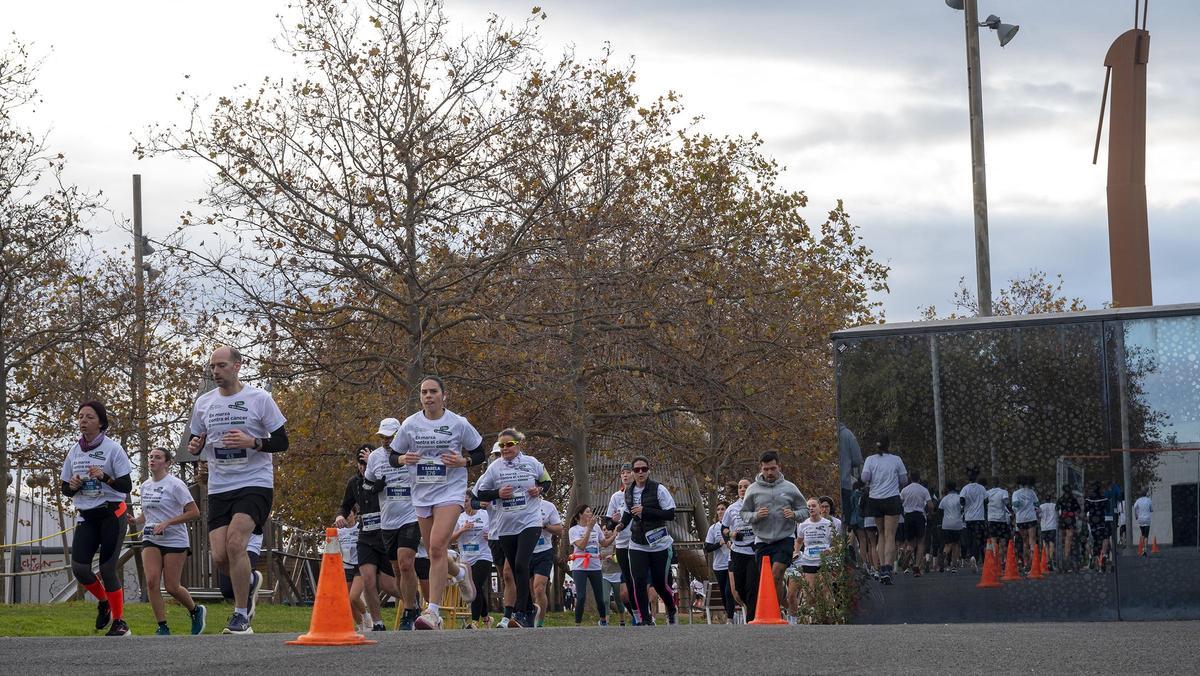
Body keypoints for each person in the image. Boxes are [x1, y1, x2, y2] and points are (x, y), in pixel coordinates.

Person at [187, 346, 289, 634]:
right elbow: (197, 439)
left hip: (254, 483)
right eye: (212, 367)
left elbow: (282, 442)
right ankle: (250, 582)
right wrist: (195, 447)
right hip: (220, 487)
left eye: (221, 365)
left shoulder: (259, 399)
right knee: (220, 557)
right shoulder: (204, 403)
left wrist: (252, 442)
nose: (215, 371)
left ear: (237, 366)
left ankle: (241, 616)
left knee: (235, 543)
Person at [387, 376, 486, 630]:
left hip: (450, 491)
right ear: (420, 397)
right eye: (424, 392)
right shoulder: (410, 424)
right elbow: (393, 456)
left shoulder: (458, 423)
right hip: (422, 493)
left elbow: (480, 452)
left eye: (433, 391)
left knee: (436, 546)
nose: (428, 396)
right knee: (435, 551)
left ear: (444, 395)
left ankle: (433, 612)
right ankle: (461, 573)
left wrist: (463, 462)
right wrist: (402, 460)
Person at [60, 401, 134, 636]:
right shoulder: (74, 451)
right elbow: (65, 488)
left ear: (101, 422)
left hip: (112, 513)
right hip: (88, 516)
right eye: (80, 416)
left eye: (89, 417)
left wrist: (105, 477)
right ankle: (104, 603)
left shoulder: (113, 449)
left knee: (107, 567)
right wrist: (71, 486)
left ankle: (120, 622)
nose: (83, 420)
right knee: (80, 568)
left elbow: (126, 485)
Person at [472, 428, 550, 629]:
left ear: (518, 444)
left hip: (530, 522)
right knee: (515, 570)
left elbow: (546, 480)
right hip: (505, 527)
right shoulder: (495, 467)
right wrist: (497, 493)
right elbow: (479, 494)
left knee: (521, 564)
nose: (505, 448)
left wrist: (539, 489)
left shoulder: (532, 463)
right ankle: (529, 609)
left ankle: (521, 612)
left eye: (509, 445)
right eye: (502, 445)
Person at [136, 446, 206, 635]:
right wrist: (135, 520)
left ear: (167, 463)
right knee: (151, 582)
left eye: (157, 457)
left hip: (175, 539)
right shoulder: (144, 486)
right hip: (151, 537)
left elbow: (194, 512)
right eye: (150, 456)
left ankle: (195, 610)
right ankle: (162, 626)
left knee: (172, 586)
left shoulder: (175, 484)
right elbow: (147, 514)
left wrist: (168, 523)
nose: (152, 460)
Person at [365, 418, 422, 629]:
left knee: (406, 562)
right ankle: (411, 603)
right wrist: (374, 487)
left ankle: (409, 613)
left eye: (390, 436)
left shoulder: (413, 453)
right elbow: (367, 483)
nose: (386, 441)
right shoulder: (375, 458)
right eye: (383, 437)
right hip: (388, 520)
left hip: (411, 516)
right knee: (398, 570)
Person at [337, 441, 397, 631]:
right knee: (368, 579)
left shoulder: (384, 478)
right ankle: (377, 623)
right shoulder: (354, 483)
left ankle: (413, 604)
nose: (364, 468)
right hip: (365, 538)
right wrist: (340, 515)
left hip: (385, 536)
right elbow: (345, 505)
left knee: (388, 585)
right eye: (361, 464)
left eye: (368, 463)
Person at [741, 451, 808, 612]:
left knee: (776, 574)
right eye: (766, 469)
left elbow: (804, 510)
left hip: (784, 538)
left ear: (779, 466)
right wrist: (756, 515)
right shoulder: (753, 489)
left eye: (772, 468)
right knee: (769, 581)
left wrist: (794, 515)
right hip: (762, 541)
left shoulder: (790, 488)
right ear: (760, 468)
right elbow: (744, 514)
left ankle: (775, 612)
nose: (769, 473)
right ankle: (781, 598)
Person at [621, 455, 679, 626]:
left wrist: (645, 510)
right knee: (638, 581)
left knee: (660, 584)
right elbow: (627, 512)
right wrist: (620, 525)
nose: (640, 472)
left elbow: (670, 514)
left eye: (644, 469)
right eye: (637, 470)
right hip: (637, 543)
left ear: (648, 471)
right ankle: (646, 620)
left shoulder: (659, 489)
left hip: (658, 543)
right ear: (632, 473)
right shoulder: (629, 491)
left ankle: (671, 609)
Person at [860, 435, 907, 584]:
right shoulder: (896, 460)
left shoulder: (870, 460)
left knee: (880, 533)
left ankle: (880, 568)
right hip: (892, 498)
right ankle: (887, 567)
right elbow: (904, 480)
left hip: (875, 499)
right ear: (889, 445)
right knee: (890, 534)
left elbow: (864, 477)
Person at [568, 504, 615, 626]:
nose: (591, 514)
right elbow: (582, 545)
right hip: (580, 567)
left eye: (591, 512)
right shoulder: (574, 530)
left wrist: (615, 534)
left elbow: (604, 543)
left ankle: (603, 621)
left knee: (600, 597)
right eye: (588, 512)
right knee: (581, 596)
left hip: (595, 566)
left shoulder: (597, 528)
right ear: (580, 514)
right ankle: (577, 623)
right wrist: (588, 528)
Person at [606, 463, 641, 624]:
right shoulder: (616, 497)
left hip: (638, 542)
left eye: (628, 472)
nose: (625, 475)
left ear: (634, 475)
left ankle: (645, 613)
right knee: (627, 584)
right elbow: (608, 524)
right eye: (623, 473)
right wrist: (612, 522)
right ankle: (636, 615)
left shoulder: (640, 493)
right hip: (621, 544)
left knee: (638, 579)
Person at [788, 498, 833, 623]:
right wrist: (796, 552)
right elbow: (798, 541)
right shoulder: (803, 524)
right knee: (810, 594)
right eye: (808, 507)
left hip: (825, 561)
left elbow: (838, 543)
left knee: (825, 593)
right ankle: (813, 621)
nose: (811, 508)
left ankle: (828, 622)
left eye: (813, 506)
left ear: (819, 508)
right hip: (808, 561)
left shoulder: (828, 524)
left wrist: (831, 550)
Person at [452, 492, 493, 628]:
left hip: (483, 555)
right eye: (462, 501)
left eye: (467, 500)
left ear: (473, 501)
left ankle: (474, 621)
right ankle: (486, 618)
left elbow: (497, 530)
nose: (465, 504)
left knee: (474, 585)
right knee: (477, 588)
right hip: (466, 558)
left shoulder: (485, 514)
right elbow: (451, 539)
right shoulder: (458, 518)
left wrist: (491, 535)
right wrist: (462, 530)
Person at [722, 478, 757, 621]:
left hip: (754, 551)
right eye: (740, 487)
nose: (742, 489)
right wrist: (731, 534)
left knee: (751, 586)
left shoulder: (758, 504)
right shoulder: (731, 508)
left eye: (746, 487)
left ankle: (751, 619)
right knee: (739, 589)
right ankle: (751, 611)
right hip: (738, 551)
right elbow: (723, 528)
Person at [531, 498, 564, 627]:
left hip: (544, 551)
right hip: (526, 551)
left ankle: (539, 622)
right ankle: (531, 616)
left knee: (539, 588)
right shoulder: (520, 504)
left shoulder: (548, 506)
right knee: (531, 591)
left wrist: (545, 526)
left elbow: (560, 529)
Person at [703, 501, 735, 623]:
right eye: (719, 509)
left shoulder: (733, 526)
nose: (721, 512)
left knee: (729, 591)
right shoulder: (714, 528)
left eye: (723, 509)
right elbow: (707, 548)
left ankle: (730, 618)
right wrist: (720, 543)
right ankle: (730, 614)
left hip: (732, 563)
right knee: (723, 592)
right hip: (719, 565)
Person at [336, 511, 368, 631]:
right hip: (346, 566)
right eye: (345, 516)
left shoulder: (360, 528)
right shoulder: (339, 532)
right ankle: (360, 626)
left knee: (353, 597)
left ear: (354, 515)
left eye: (350, 515)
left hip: (359, 566)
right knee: (347, 601)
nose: (348, 518)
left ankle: (367, 618)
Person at [899, 471, 932, 576]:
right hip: (919, 516)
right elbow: (930, 505)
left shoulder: (904, 490)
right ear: (919, 478)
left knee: (910, 542)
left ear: (910, 478)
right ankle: (916, 567)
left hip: (908, 516)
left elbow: (899, 502)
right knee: (921, 542)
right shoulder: (924, 490)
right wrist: (929, 513)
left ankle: (908, 552)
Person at [599, 520, 627, 625]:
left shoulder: (617, 542)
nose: (605, 532)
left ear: (612, 531)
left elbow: (622, 557)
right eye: (603, 530)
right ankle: (605, 622)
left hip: (617, 574)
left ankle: (622, 620)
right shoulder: (600, 543)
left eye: (608, 530)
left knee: (618, 600)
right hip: (605, 574)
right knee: (605, 600)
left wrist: (614, 557)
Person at [960, 467, 987, 570]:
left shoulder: (965, 488)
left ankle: (971, 555)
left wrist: (966, 506)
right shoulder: (982, 488)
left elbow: (961, 501)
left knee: (970, 538)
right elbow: (986, 501)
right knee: (977, 538)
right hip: (979, 518)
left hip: (968, 518)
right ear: (976, 478)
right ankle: (974, 557)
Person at [837, 423, 864, 528]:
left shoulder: (820, 429)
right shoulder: (847, 435)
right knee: (846, 519)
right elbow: (857, 459)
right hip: (844, 483)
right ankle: (844, 542)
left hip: (822, 482)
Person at [1011, 476, 1040, 572]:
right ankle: (1033, 564)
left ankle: (1026, 563)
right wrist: (1029, 504)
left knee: (1025, 542)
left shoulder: (1016, 493)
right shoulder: (1031, 492)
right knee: (1032, 540)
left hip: (1021, 519)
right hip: (1031, 518)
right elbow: (1037, 504)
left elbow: (1015, 505)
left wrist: (1019, 505)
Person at [937, 481, 965, 573]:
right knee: (956, 544)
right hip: (957, 524)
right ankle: (954, 565)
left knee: (948, 544)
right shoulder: (959, 498)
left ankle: (944, 555)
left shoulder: (944, 499)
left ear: (947, 489)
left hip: (946, 524)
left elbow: (940, 511)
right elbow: (963, 508)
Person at [1085, 482, 1112, 571]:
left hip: (1092, 523)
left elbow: (1085, 510)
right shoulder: (1104, 498)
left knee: (1096, 541)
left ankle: (1098, 560)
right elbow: (1108, 509)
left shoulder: (1089, 499)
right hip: (1101, 521)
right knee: (1105, 537)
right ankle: (1103, 554)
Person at [984, 478, 1012, 561]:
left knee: (993, 541)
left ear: (992, 484)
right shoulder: (1003, 492)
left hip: (991, 519)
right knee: (1002, 541)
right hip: (1001, 520)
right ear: (999, 483)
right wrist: (1012, 512)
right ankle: (1002, 559)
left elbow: (984, 504)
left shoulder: (987, 493)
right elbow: (1006, 503)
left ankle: (995, 559)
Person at [1056, 484, 1081, 572]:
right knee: (1068, 538)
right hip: (1070, 519)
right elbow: (1078, 510)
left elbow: (1057, 508)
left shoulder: (1061, 499)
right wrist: (1075, 514)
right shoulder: (1073, 499)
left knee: (1065, 539)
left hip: (1064, 519)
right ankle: (1066, 556)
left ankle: (1065, 556)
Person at [1038, 496, 1058, 570]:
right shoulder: (1054, 505)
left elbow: (1039, 516)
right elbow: (1058, 514)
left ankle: (1047, 560)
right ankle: (1051, 559)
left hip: (1044, 527)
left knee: (1045, 544)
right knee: (1052, 543)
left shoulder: (1041, 506)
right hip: (1052, 526)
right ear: (1051, 499)